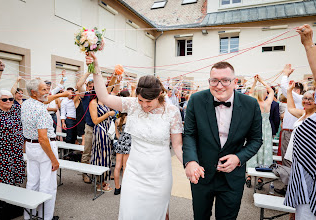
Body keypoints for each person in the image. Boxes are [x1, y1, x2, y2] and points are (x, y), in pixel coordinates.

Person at [86, 52, 183, 220]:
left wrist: (189, 164)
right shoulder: (131, 105)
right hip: (134, 173)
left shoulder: (172, 111)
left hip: (160, 174)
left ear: (159, 95)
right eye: (140, 100)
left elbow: (178, 146)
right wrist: (96, 68)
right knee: (131, 213)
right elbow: (103, 96)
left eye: (148, 102)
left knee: (157, 214)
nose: (144, 106)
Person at [183, 61, 262, 220]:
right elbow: (190, 134)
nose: (219, 86)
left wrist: (238, 158)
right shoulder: (196, 100)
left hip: (232, 178)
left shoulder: (251, 104)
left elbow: (256, 140)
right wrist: (190, 161)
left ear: (235, 82)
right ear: (209, 81)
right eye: (214, 80)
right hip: (202, 174)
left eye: (225, 80)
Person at [21, 78, 68, 220]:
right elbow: (43, 138)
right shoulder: (40, 109)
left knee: (32, 182)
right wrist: (54, 160)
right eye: (44, 89)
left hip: (31, 147)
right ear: (34, 93)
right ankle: (45, 217)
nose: (48, 91)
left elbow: (46, 99)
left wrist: (61, 95)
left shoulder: (26, 103)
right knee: (48, 185)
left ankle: (29, 215)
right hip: (44, 148)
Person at [284, 88, 316, 219]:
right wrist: (289, 91)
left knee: (305, 186)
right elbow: (290, 108)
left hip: (307, 157)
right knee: (296, 183)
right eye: (305, 98)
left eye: (310, 99)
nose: (306, 101)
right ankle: (295, 213)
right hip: (295, 155)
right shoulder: (302, 114)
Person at [0, 90, 25, 185]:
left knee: (14, 173)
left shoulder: (17, 109)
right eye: (4, 99)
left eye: (10, 99)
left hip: (16, 150)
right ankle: (0, 198)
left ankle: (12, 193)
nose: (8, 101)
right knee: (0, 175)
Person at [245, 75, 274, 188]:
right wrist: (262, 81)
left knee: (253, 150)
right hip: (266, 130)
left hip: (255, 129)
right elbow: (271, 91)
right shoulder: (267, 103)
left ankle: (249, 176)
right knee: (264, 151)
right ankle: (260, 179)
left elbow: (250, 92)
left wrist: (254, 82)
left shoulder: (253, 102)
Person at [89, 89, 115, 192]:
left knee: (106, 156)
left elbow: (112, 88)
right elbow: (95, 121)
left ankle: (102, 181)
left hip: (107, 132)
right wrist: (108, 114)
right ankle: (99, 183)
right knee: (100, 156)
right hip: (100, 132)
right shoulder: (93, 103)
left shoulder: (103, 101)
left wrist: (116, 77)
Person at [113, 90, 131, 195]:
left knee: (117, 166)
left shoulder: (117, 120)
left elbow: (117, 135)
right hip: (128, 144)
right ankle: (124, 188)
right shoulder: (129, 119)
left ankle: (116, 188)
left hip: (120, 143)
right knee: (125, 167)